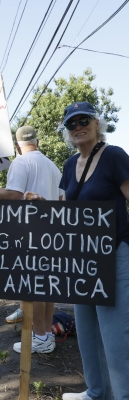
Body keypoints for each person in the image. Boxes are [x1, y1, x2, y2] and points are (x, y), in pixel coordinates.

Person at [58, 101, 129, 400]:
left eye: (84, 120)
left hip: (113, 255)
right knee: (86, 331)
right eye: (71, 124)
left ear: (96, 123)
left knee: (115, 334)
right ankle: (96, 392)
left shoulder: (114, 156)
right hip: (81, 260)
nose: (78, 127)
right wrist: (39, 205)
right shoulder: (68, 165)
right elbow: (64, 211)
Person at [0, 125, 64, 354]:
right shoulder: (53, 166)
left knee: (33, 288)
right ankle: (46, 335)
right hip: (52, 234)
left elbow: (14, 196)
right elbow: (61, 200)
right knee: (47, 287)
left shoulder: (21, 162)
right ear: (37, 142)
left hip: (29, 235)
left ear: (17, 146)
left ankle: (39, 336)